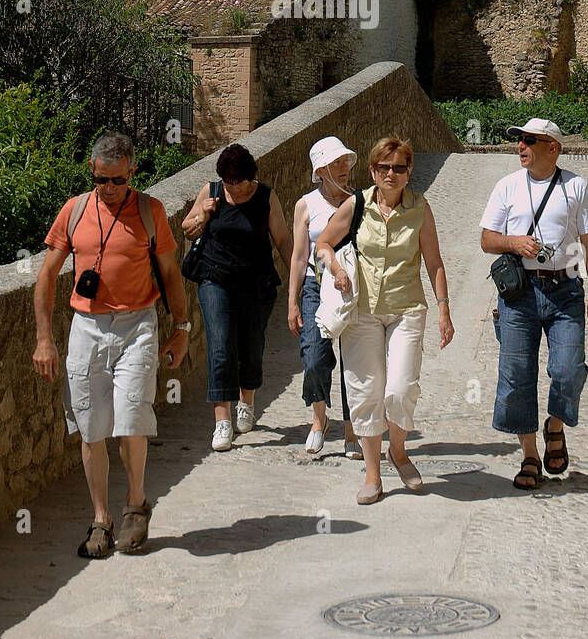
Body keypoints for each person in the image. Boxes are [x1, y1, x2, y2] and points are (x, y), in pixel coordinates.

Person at [33, 132, 190, 558]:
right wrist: (45, 339)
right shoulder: (76, 210)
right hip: (86, 326)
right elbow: (46, 276)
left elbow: (171, 273)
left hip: (137, 324)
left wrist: (182, 327)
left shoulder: (148, 210)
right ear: (93, 174)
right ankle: (100, 519)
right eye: (101, 180)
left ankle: (135, 507)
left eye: (118, 180)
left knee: (132, 417)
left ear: (131, 173)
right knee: (90, 426)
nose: (109, 189)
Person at [316, 136, 454, 505]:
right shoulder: (356, 204)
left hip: (407, 306)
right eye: (383, 167)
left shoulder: (420, 209)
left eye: (398, 168)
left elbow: (434, 261)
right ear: (373, 171)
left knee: (401, 387)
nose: (390, 174)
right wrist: (335, 269)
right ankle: (373, 474)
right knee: (365, 392)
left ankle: (399, 450)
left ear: (409, 172)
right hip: (361, 311)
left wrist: (444, 308)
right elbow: (323, 244)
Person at [480, 118, 588, 490]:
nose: (521, 146)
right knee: (516, 377)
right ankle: (529, 455)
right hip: (519, 294)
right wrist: (514, 243)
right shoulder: (507, 186)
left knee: (567, 370)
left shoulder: (575, 186)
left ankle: (555, 425)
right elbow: (487, 239)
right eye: (519, 140)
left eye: (529, 140)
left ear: (553, 148)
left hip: (565, 291)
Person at [182, 143, 292, 451]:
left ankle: (247, 402)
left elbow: (282, 239)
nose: (235, 190)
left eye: (240, 184)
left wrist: (300, 278)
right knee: (220, 347)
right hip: (215, 280)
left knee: (251, 346)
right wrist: (202, 216)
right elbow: (186, 229)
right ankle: (222, 421)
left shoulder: (266, 197)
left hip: (256, 284)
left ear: (251, 177)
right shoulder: (213, 190)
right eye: (230, 184)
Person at [288, 137, 362, 459]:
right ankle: (319, 420)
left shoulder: (360, 200)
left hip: (351, 286)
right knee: (314, 357)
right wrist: (292, 302)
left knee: (354, 360)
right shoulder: (306, 205)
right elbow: (299, 256)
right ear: (320, 170)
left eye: (345, 161)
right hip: (314, 288)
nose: (344, 168)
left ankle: (352, 430)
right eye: (336, 163)